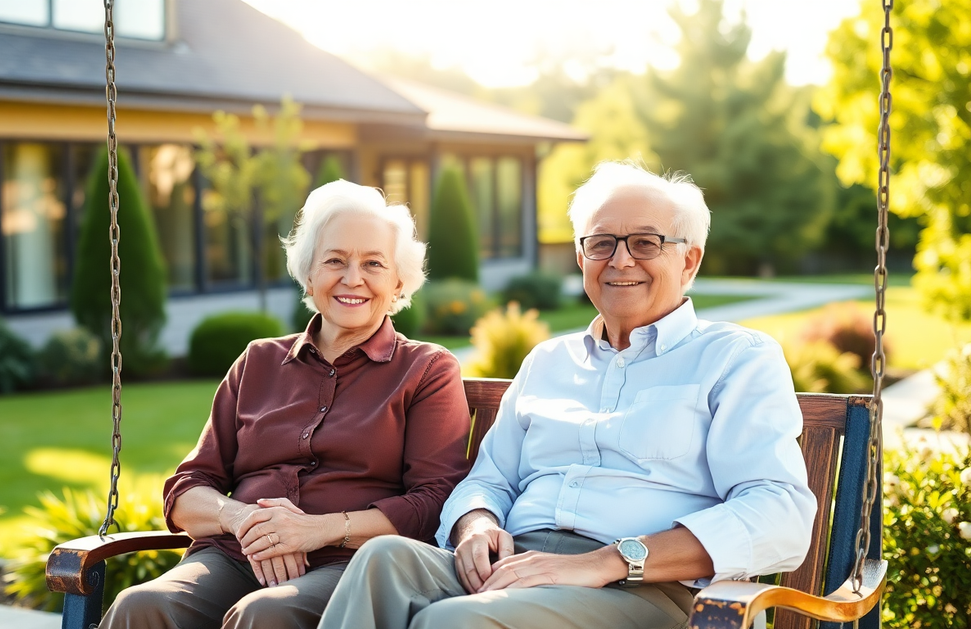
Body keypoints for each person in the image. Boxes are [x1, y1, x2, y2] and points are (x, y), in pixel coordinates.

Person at [317, 161, 818, 629]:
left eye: (645, 243)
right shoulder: (548, 362)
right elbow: (489, 479)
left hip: (643, 590)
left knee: (453, 622)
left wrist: (606, 562)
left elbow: (779, 513)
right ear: (581, 258)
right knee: (383, 559)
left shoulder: (735, 359)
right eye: (601, 244)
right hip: (517, 564)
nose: (620, 260)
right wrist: (476, 524)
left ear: (689, 260)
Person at [100, 180, 472, 629]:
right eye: (334, 260)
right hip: (237, 553)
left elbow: (434, 501)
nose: (352, 278)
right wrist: (244, 521)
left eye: (373, 263)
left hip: (350, 563)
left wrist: (315, 530)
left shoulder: (426, 369)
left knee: (266, 614)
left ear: (397, 282)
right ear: (309, 274)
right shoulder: (258, 360)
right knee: (140, 604)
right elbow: (186, 489)